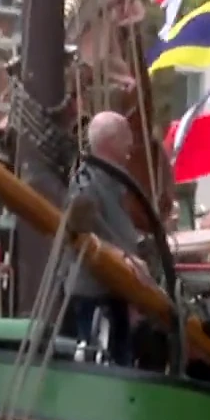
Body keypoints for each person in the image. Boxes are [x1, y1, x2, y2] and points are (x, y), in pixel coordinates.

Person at [61, 111, 152, 363]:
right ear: (111, 142)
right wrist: (126, 258)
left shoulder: (112, 180)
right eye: (126, 137)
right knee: (96, 358)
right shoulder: (86, 183)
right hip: (95, 293)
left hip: (116, 287)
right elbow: (80, 230)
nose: (131, 146)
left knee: (121, 354)